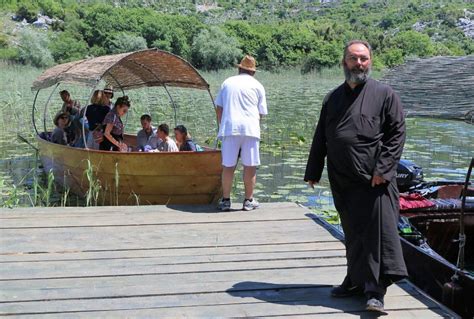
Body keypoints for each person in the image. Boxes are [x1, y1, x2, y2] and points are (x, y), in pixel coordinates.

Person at [304, 40, 407, 313]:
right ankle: (353, 281)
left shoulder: (385, 94)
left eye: (363, 58)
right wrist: (313, 170)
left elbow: (397, 134)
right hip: (342, 179)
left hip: (374, 181)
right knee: (352, 233)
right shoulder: (333, 97)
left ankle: (374, 292)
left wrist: (383, 170)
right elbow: (321, 136)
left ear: (370, 61)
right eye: (353, 58)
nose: (358, 63)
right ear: (344, 63)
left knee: (376, 236)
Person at [215, 55, 267, 212]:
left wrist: (222, 126)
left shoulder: (227, 83)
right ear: (253, 72)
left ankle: (225, 201)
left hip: (230, 127)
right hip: (250, 129)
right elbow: (261, 113)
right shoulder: (258, 86)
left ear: (239, 68)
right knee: (250, 166)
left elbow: (219, 107)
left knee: (228, 166)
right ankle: (248, 201)